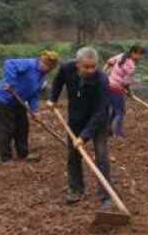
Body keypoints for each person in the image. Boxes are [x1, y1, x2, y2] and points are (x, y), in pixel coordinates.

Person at [47, 47, 112, 210]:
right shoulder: (66, 68)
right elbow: (57, 81)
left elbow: (100, 112)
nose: (90, 70)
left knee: (101, 155)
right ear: (77, 64)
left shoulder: (102, 80)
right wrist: (53, 99)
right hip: (76, 119)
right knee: (73, 155)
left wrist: (84, 137)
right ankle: (76, 190)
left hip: (98, 121)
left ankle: (105, 196)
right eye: (86, 67)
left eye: (94, 66)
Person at [0, 51, 60, 164]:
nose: (47, 68)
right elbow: (9, 63)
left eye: (50, 67)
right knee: (6, 129)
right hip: (5, 100)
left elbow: (34, 95)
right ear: (41, 60)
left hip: (19, 102)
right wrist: (11, 83)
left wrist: (35, 111)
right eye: (46, 64)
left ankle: (23, 154)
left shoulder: (41, 78)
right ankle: (6, 158)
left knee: (22, 127)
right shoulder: (28, 64)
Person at [104, 45, 144, 138]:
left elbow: (109, 62)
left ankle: (108, 130)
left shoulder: (121, 56)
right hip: (116, 88)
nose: (140, 57)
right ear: (133, 53)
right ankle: (117, 133)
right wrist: (130, 92)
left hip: (107, 85)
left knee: (114, 110)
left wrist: (104, 74)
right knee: (120, 112)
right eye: (139, 54)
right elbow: (126, 83)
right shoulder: (131, 66)